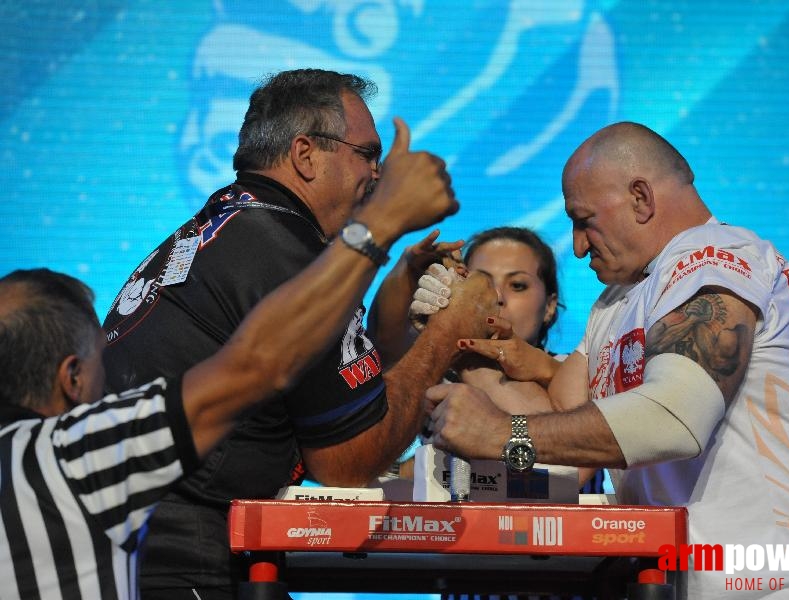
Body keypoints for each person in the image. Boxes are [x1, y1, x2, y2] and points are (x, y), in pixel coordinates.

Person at [425, 122, 789, 598]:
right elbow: (563, 423)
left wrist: (501, 434)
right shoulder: (616, 301)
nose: (578, 246)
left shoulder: (717, 258)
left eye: (584, 220)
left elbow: (672, 417)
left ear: (640, 198)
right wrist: (460, 343)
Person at [101, 68, 497, 599]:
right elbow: (346, 460)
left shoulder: (238, 225)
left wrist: (398, 288)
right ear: (307, 154)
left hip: (145, 539)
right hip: (182, 553)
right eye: (367, 154)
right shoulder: (286, 255)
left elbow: (330, 393)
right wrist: (449, 331)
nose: (378, 174)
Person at [0, 204, 490, 600]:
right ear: (71, 377)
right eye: (100, 358)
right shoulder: (83, 448)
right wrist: (380, 235)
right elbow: (259, 369)